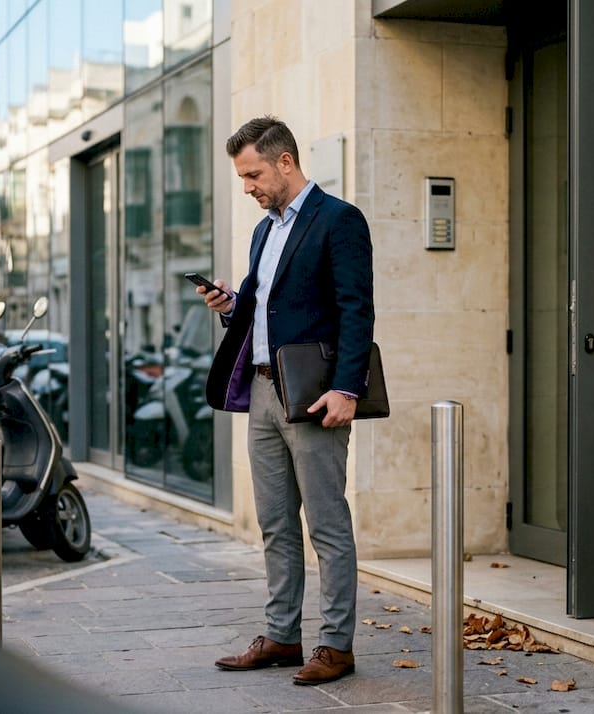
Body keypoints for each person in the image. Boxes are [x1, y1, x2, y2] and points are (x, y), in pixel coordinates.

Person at [199, 116, 374, 685]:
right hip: (263, 392)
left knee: (327, 523)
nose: (247, 187)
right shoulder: (264, 231)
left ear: (285, 162)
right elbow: (256, 305)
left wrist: (347, 388)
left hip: (314, 395)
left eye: (252, 175)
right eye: (242, 177)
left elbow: (357, 309)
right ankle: (282, 636)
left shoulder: (339, 220)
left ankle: (337, 646)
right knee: (275, 522)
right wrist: (228, 303)